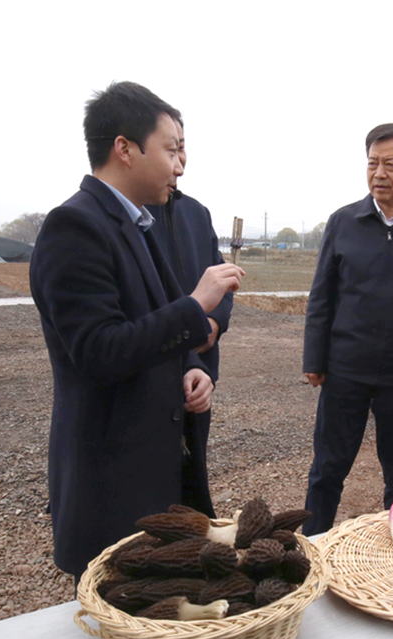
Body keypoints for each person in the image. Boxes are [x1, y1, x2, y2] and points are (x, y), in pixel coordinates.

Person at [29, 81, 243, 579]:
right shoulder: (75, 227)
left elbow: (149, 323)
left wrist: (192, 368)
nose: (179, 164)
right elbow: (100, 351)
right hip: (112, 478)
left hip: (159, 467)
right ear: (124, 148)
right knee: (117, 621)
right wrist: (196, 305)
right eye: (170, 150)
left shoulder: (135, 224)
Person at [302, 123, 393, 535]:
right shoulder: (344, 221)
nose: (379, 173)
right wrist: (315, 358)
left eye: (390, 164)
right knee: (327, 467)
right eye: (372, 163)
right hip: (346, 369)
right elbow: (322, 296)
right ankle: (311, 545)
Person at [149, 118, 234, 517]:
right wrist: (188, 320)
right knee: (152, 476)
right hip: (154, 359)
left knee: (192, 461)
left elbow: (220, 280)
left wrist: (212, 324)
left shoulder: (196, 214)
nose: (179, 160)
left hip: (199, 367)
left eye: (183, 147)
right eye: (171, 148)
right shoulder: (130, 220)